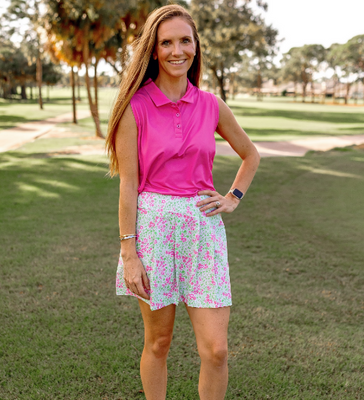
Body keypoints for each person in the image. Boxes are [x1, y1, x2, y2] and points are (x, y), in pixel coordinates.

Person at [106, 4, 260, 399]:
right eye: (167, 42)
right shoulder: (134, 107)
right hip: (154, 229)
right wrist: (129, 253)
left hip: (203, 231)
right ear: (154, 50)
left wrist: (232, 197)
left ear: (196, 47)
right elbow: (128, 185)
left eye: (185, 41)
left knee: (217, 349)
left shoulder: (211, 105)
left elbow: (251, 154)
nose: (177, 50)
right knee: (159, 342)